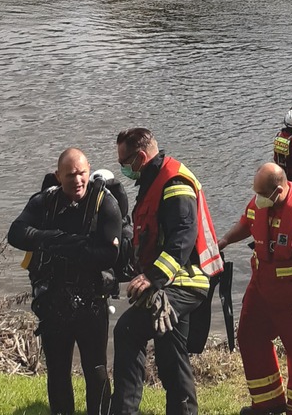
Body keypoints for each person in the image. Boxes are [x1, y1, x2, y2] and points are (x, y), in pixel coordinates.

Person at [111, 127, 223, 415]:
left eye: (126, 163)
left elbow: (183, 238)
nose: (123, 169)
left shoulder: (174, 182)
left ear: (141, 157)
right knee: (171, 354)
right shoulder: (153, 181)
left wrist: (152, 278)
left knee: (127, 331)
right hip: (174, 282)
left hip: (184, 281)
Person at [217, 162, 292, 415]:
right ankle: (267, 404)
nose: (257, 199)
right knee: (249, 338)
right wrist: (226, 239)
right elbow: (247, 223)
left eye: (262, 195)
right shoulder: (260, 204)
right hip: (262, 291)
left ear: (280, 190)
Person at [8, 147, 122, 415]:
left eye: (82, 173)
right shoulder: (45, 203)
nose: (78, 180)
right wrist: (58, 240)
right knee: (58, 370)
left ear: (89, 170)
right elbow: (15, 233)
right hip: (53, 301)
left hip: (91, 300)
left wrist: (65, 247)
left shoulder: (104, 203)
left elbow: (110, 254)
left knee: (96, 369)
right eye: (70, 175)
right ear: (58, 176)